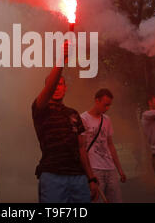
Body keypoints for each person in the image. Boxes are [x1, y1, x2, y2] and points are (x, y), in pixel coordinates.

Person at [31, 42, 98, 203]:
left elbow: (81, 148)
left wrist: (90, 178)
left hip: (78, 177)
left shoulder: (73, 114)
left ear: (65, 88)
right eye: (53, 85)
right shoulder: (40, 108)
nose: (57, 87)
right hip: (53, 174)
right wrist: (62, 59)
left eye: (60, 84)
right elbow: (50, 85)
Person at [80, 88, 126, 203]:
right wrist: (89, 175)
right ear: (97, 101)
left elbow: (110, 145)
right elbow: (82, 147)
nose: (107, 108)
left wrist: (120, 170)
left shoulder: (107, 120)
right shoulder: (83, 119)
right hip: (95, 169)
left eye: (109, 105)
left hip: (110, 168)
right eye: (105, 105)